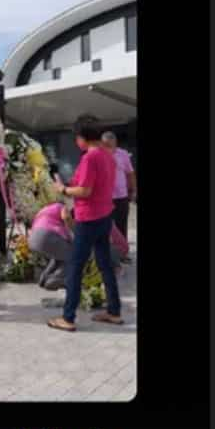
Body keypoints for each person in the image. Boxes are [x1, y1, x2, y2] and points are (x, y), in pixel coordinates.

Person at [48, 116, 123, 332]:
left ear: (82, 138)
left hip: (88, 218)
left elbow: (85, 191)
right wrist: (70, 184)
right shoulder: (108, 155)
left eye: (76, 137)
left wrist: (62, 189)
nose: (76, 142)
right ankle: (114, 312)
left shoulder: (90, 158)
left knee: (75, 267)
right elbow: (91, 184)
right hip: (104, 216)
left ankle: (68, 318)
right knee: (105, 265)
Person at [30, 201, 128, 290]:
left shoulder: (47, 209)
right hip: (47, 235)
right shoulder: (61, 206)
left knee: (59, 256)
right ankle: (57, 279)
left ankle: (43, 279)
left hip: (34, 238)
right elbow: (67, 218)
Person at [101, 130, 137, 241]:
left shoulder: (123, 154)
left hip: (122, 197)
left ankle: (123, 253)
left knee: (122, 225)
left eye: (111, 145)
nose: (109, 148)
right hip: (104, 198)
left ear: (115, 143)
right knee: (105, 227)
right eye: (106, 145)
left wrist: (134, 190)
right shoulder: (98, 155)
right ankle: (109, 253)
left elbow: (130, 173)